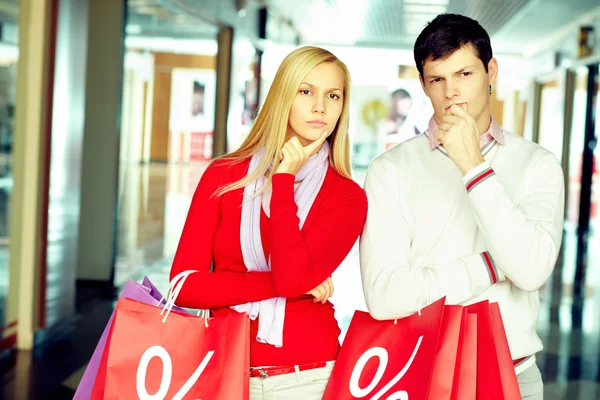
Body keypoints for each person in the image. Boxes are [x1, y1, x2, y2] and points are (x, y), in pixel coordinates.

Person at [359, 13, 564, 400]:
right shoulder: (390, 169)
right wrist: (492, 265)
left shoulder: (538, 163)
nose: (451, 92)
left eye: (464, 74)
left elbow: (532, 270)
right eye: (438, 79)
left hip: (512, 373)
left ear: (491, 71)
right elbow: (385, 297)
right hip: (417, 369)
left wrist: (473, 166)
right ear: (423, 84)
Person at [170, 46, 367, 399]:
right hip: (222, 370)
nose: (320, 106)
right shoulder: (223, 176)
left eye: (333, 95)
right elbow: (183, 286)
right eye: (305, 91)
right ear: (282, 97)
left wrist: (283, 180)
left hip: (308, 379)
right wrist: (286, 284)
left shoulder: (347, 196)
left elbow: (293, 278)